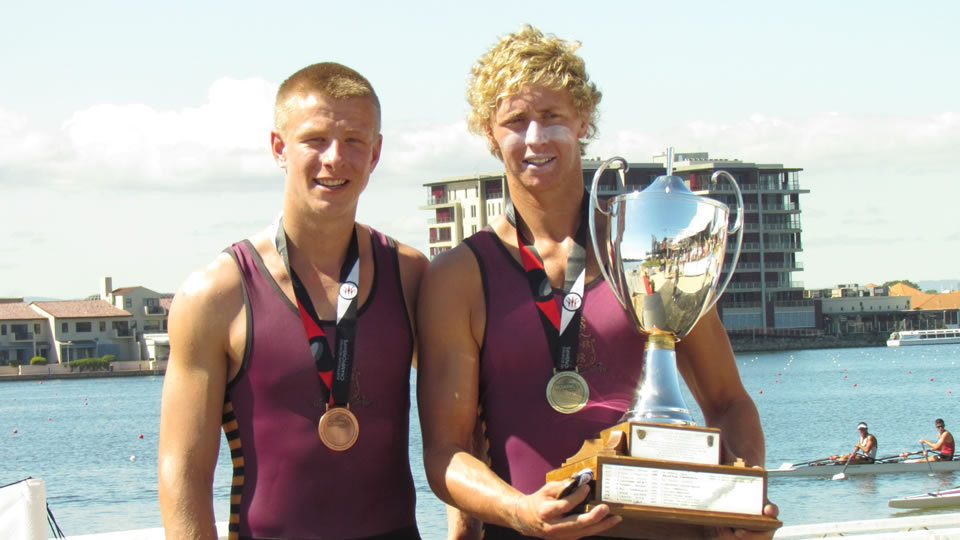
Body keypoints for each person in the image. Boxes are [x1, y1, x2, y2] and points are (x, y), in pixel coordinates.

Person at [417, 25, 778, 539]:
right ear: (490, 133)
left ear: (584, 122)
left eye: (553, 117)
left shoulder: (647, 248)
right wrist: (519, 510)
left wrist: (740, 505)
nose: (535, 138)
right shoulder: (459, 276)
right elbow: (445, 452)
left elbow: (727, 401)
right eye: (516, 121)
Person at [157, 62, 427, 539]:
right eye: (315, 139)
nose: (334, 158)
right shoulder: (216, 295)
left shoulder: (409, 276)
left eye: (354, 141)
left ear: (376, 153)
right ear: (280, 148)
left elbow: (464, 424)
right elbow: (183, 471)